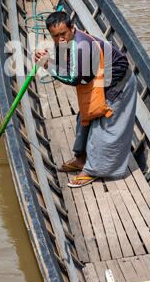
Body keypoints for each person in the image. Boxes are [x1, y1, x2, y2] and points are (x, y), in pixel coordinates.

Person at [34, 11, 137, 188]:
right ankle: (81, 158)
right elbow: (64, 63)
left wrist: (47, 65)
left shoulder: (82, 47)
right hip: (98, 80)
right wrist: (49, 60)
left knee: (104, 125)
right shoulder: (65, 41)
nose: (60, 39)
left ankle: (94, 170)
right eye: (55, 36)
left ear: (72, 28)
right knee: (85, 117)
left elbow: (74, 79)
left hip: (118, 84)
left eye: (63, 34)